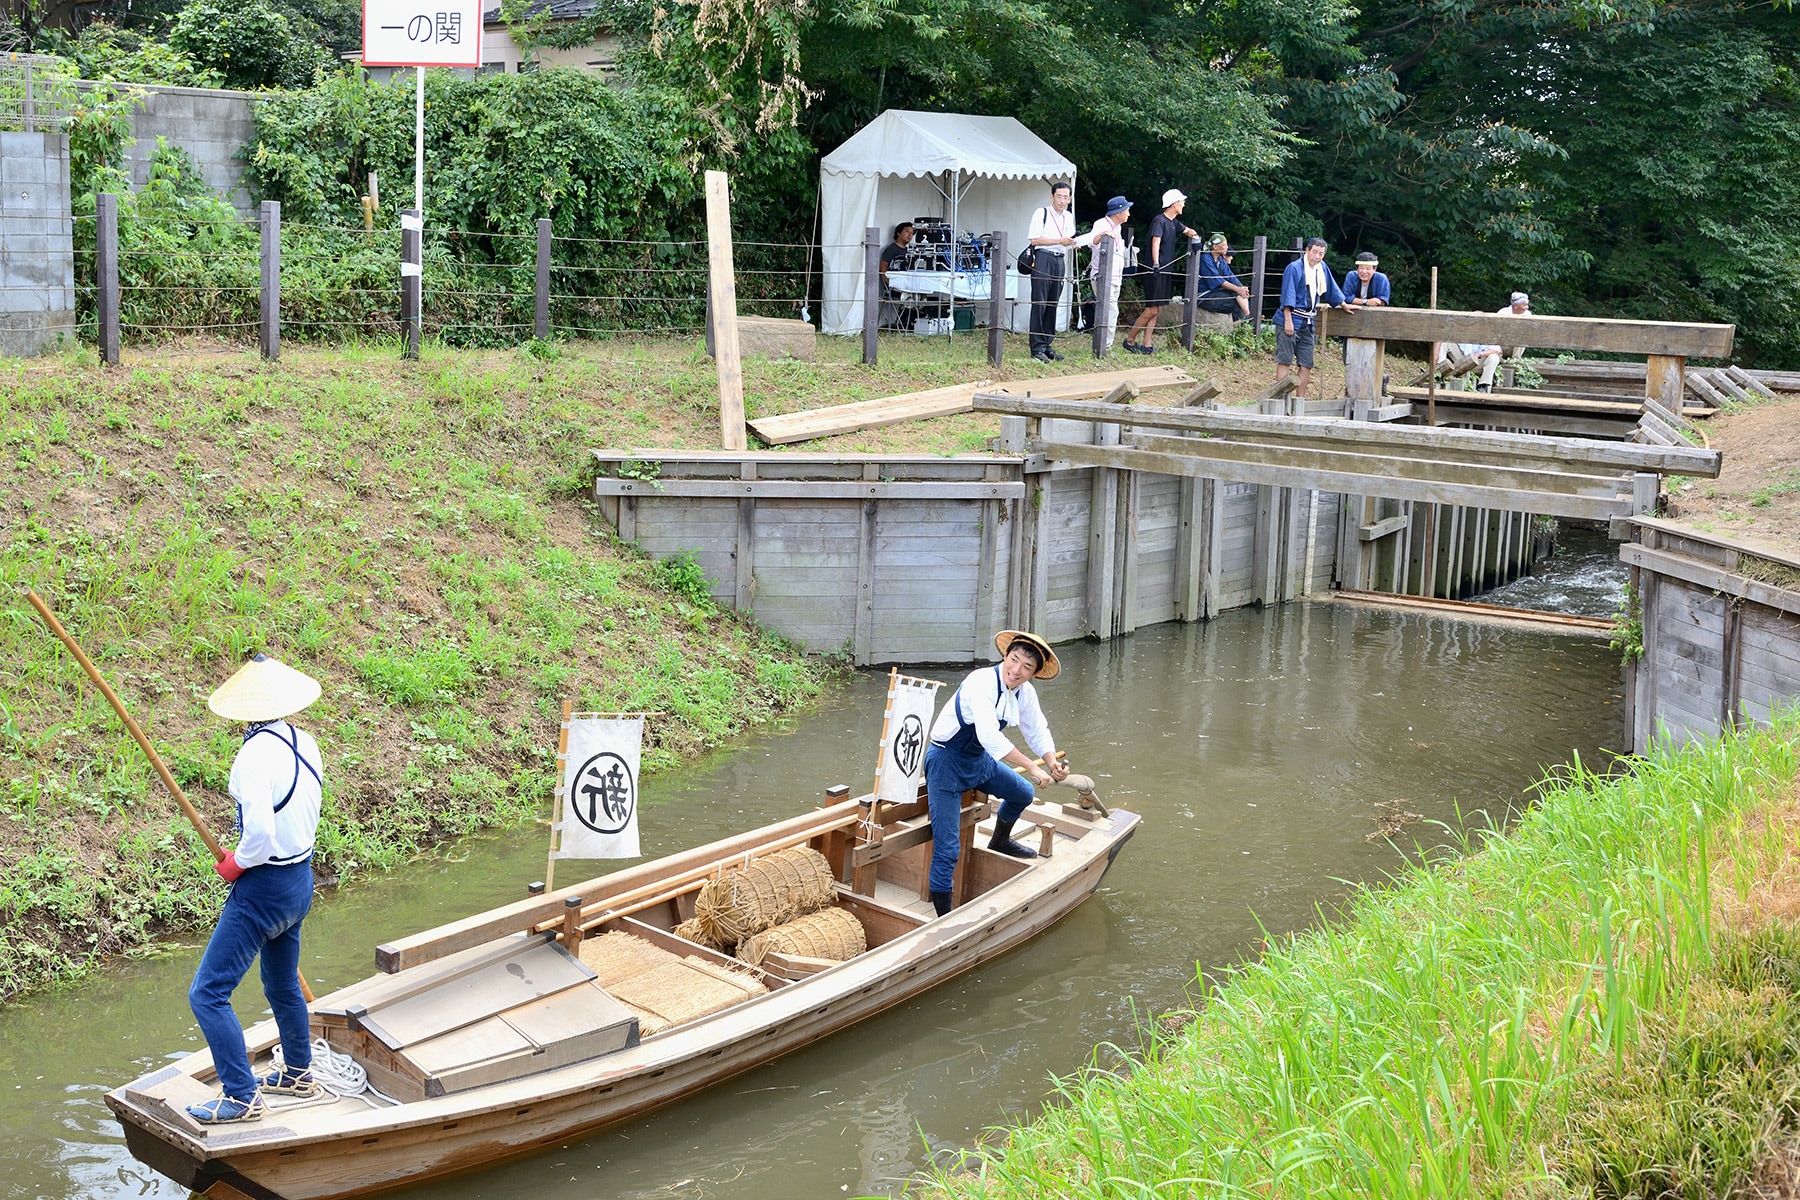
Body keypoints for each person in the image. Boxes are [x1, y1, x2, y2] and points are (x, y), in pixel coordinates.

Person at [184, 653, 325, 1124]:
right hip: (300, 880)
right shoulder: (305, 740)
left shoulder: (252, 754)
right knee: (281, 980)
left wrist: (236, 863)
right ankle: (298, 1073)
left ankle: (241, 1096)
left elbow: (261, 834)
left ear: (242, 709)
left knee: (208, 993)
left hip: (263, 887)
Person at [922, 631, 1070, 917]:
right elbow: (989, 736)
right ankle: (943, 917)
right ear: (1005, 656)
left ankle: (1000, 840)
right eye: (1014, 660)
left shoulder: (1024, 692)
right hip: (946, 761)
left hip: (978, 760)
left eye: (1027, 667)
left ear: (1035, 673)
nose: (1016, 670)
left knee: (1023, 793)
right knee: (948, 848)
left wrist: (1051, 762)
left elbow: (1036, 729)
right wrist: (1031, 767)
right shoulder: (981, 682)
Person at [1122, 189, 1198, 354]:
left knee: (1158, 308)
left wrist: (1195, 237)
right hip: (1155, 270)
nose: (1184, 204)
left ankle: (1147, 344)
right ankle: (1129, 340)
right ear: (1174, 204)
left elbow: (1188, 230)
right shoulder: (1159, 221)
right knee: (1152, 309)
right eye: (1181, 202)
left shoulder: (1174, 222)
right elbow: (1155, 241)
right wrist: (1155, 264)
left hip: (1165, 271)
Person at [1276, 237, 1352, 400]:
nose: (1317, 257)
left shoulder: (1321, 268)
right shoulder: (1294, 268)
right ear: (1307, 250)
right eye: (1315, 252)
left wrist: (1343, 304)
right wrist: (1287, 319)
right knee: (1285, 360)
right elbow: (1287, 295)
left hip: (1308, 322)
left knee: (1306, 363)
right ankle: (1281, 398)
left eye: (1321, 253)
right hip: (1291, 319)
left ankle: (1300, 400)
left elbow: (1332, 289)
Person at [1025, 182, 1080, 362]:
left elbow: (1069, 239)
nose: (1062, 201)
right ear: (1052, 197)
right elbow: (1035, 240)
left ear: (1070, 199)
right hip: (1043, 257)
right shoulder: (1042, 213)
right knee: (1039, 302)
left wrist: (1072, 243)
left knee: (1052, 302)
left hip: (1059, 259)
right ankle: (1036, 347)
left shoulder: (1069, 217)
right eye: (1059, 196)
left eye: (1066, 197)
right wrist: (1060, 240)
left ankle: (1047, 344)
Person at [1439, 291, 1530, 391]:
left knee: (1494, 357)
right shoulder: (1503, 313)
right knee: (1446, 342)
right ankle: (1440, 369)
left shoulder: (1489, 332)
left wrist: (1479, 354)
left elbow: (1497, 350)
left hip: (1480, 359)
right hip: (1462, 358)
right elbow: (1444, 335)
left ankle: (1483, 385)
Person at [1087, 196, 1131, 356]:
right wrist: (1102, 235)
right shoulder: (1101, 224)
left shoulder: (1117, 227)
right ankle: (1104, 346)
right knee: (1110, 311)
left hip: (1115, 276)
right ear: (1118, 212)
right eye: (1126, 210)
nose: (1129, 213)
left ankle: (1105, 345)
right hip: (1102, 275)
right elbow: (1092, 241)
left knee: (1110, 310)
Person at [1197, 234, 1250, 320]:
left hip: (1216, 292)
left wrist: (1241, 288)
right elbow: (1218, 280)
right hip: (1204, 295)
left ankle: (1247, 317)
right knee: (1234, 302)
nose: (1227, 247)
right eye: (1224, 245)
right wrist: (1237, 289)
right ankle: (1243, 324)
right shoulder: (1205, 258)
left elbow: (1230, 276)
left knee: (1241, 295)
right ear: (1215, 247)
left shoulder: (1220, 260)